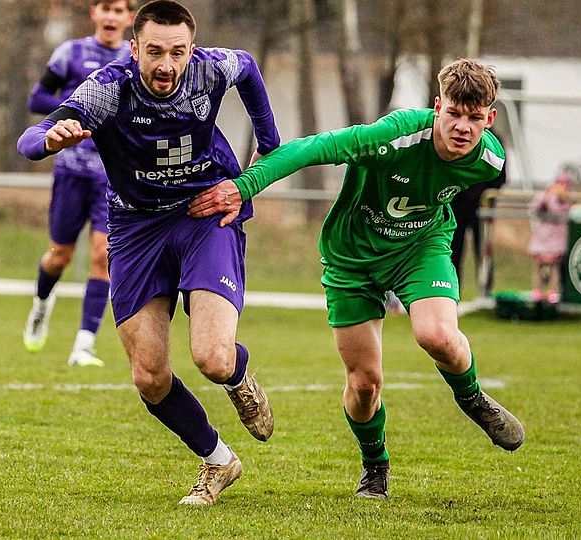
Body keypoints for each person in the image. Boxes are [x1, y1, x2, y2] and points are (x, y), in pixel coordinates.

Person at [189, 58, 525, 500]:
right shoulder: (396, 135)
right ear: (437, 106)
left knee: (437, 336)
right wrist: (245, 186)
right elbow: (314, 147)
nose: (462, 127)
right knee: (365, 383)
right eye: (453, 115)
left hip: (418, 249)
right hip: (352, 258)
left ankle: (473, 398)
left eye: (474, 118)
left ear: (490, 118)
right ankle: (375, 467)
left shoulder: (490, 159)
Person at [18, 0, 279, 506]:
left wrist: (266, 147)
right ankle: (219, 461)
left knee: (212, 357)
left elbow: (247, 66)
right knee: (149, 375)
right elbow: (32, 135)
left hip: (204, 212)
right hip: (136, 226)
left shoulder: (209, 69)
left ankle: (238, 376)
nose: (166, 65)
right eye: (154, 52)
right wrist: (49, 139)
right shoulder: (109, 88)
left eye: (177, 53)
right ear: (134, 48)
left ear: (191, 50)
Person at [23, 0, 136, 367]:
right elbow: (37, 97)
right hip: (71, 170)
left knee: (103, 256)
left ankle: (84, 344)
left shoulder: (135, 62)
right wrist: (77, 110)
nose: (112, 16)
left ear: (129, 19)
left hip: (111, 175)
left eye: (120, 10)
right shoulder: (71, 52)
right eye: (106, 8)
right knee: (60, 255)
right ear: (94, 13)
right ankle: (41, 304)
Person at [449, 131, 506, 289]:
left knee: (484, 249)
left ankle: (486, 290)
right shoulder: (458, 138)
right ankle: (452, 289)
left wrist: (484, 196)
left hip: (482, 207)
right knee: (453, 251)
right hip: (457, 206)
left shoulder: (495, 142)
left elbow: (500, 177)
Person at [527, 171, 572, 303]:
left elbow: (556, 211)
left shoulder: (566, 200)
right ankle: (537, 291)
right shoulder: (544, 195)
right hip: (542, 236)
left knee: (554, 267)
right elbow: (535, 208)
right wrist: (546, 196)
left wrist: (553, 198)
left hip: (556, 238)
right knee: (539, 266)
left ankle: (553, 291)